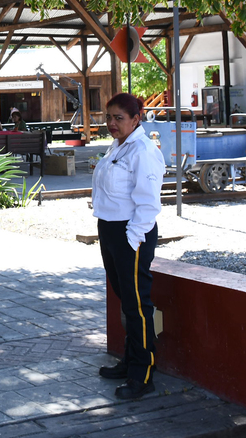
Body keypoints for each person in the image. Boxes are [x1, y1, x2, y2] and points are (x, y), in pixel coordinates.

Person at [91, 93, 165, 400]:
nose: (111, 123)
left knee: (137, 305)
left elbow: (148, 203)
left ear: (136, 119)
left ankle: (142, 373)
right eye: (108, 117)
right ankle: (131, 359)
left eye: (118, 118)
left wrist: (132, 239)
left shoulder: (143, 150)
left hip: (131, 233)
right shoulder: (119, 145)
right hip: (110, 229)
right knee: (126, 300)